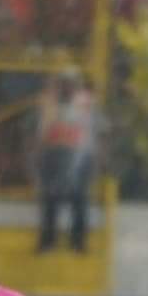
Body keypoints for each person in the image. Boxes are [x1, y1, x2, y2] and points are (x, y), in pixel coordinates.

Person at [36, 73, 97, 254]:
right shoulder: (50, 103)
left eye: (70, 84)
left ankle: (78, 242)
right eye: (64, 84)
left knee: (78, 198)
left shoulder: (84, 104)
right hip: (53, 155)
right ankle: (48, 241)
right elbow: (42, 132)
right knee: (50, 198)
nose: (66, 88)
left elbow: (89, 133)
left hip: (78, 156)